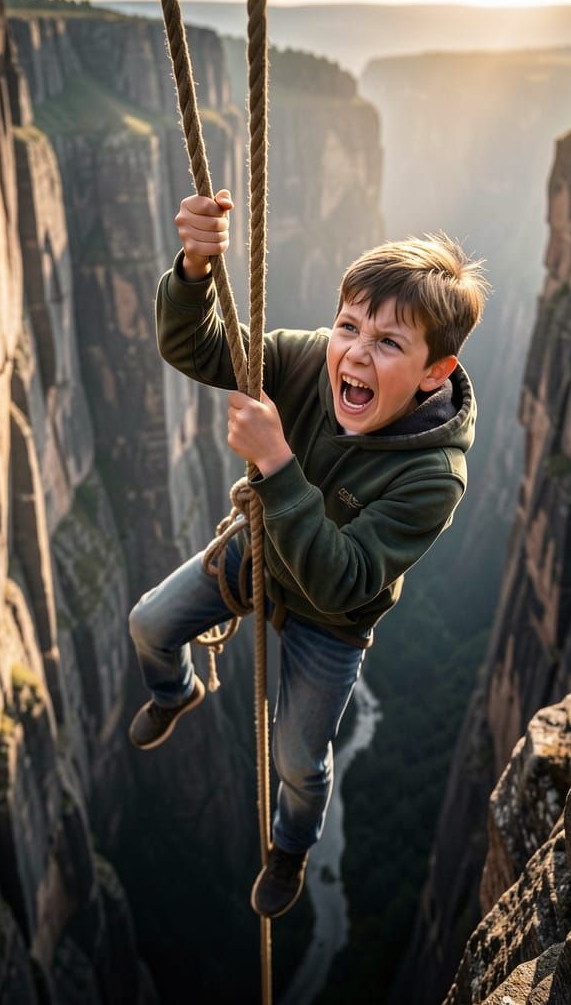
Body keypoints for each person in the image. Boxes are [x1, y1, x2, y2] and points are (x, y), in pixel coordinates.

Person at [127, 188, 486, 919]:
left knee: (297, 762)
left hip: (331, 619)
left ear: (434, 373)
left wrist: (278, 463)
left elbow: (341, 581)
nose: (354, 353)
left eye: (389, 343)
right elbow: (199, 348)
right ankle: (176, 692)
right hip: (258, 557)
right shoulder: (306, 361)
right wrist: (195, 268)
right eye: (348, 325)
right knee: (148, 625)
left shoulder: (433, 475)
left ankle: (292, 843)